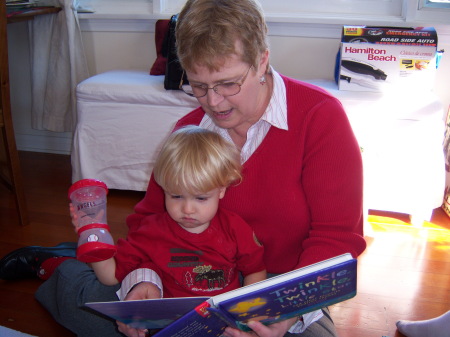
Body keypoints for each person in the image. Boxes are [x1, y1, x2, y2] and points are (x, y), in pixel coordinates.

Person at [0, 0, 366, 336]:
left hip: (280, 284)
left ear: (262, 61)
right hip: (182, 271)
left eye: (227, 83)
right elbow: (150, 220)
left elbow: (336, 238)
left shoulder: (320, 118)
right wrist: (144, 282)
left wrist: (286, 312)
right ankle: (61, 267)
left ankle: (74, 259)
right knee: (108, 316)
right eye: (199, 85)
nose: (214, 102)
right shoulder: (190, 130)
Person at [85, 125, 266, 297]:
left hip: (222, 321)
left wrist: (246, 311)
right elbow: (110, 277)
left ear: (221, 190)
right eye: (176, 196)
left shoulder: (235, 228)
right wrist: (92, 234)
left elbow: (255, 271)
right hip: (172, 323)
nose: (187, 209)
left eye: (201, 198)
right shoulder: (151, 231)